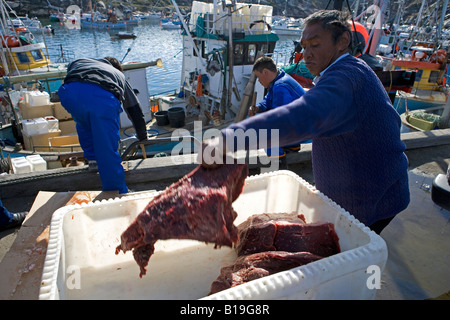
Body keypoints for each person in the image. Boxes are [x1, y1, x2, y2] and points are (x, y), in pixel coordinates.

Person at [199, 10, 410, 234]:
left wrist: (227, 140)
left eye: (315, 45)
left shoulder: (347, 78)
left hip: (372, 202)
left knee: (349, 253)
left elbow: (300, 116)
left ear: (343, 41)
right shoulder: (345, 72)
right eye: (304, 46)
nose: (306, 54)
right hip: (365, 195)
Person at [58, 57, 148, 194]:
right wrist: (142, 136)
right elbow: (134, 109)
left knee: (84, 123)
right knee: (106, 146)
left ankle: (93, 160)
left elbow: (74, 79)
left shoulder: (81, 61)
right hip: (101, 98)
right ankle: (117, 191)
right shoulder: (118, 75)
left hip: (69, 94)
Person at [249, 56, 306, 168]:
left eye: (259, 77)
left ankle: (279, 166)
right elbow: (267, 101)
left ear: (265, 72)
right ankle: (291, 146)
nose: (259, 81)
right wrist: (258, 108)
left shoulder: (280, 86)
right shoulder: (280, 79)